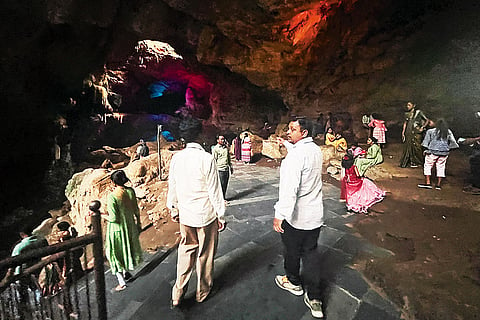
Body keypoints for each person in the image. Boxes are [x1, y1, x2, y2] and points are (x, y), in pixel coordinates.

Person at [167, 117, 226, 307]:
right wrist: (221, 215)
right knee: (205, 254)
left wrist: (173, 207)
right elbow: (214, 191)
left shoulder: (176, 158)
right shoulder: (206, 159)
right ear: (200, 134)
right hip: (205, 215)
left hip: (185, 215)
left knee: (185, 252)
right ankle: (203, 291)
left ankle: (178, 293)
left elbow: (172, 186)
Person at [273, 118, 324, 318]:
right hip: (315, 215)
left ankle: (293, 283)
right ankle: (315, 298)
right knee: (310, 254)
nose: (288, 131)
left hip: (296, 216)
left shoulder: (294, 158)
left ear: (303, 133)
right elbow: (300, 155)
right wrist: (286, 144)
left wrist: (280, 215)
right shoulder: (315, 151)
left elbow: (289, 190)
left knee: (292, 251)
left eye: (292, 129)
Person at [103, 170, 143, 292]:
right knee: (126, 249)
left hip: (117, 229)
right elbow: (136, 210)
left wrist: (101, 214)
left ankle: (121, 282)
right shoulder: (130, 191)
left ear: (113, 182)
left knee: (113, 254)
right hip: (130, 226)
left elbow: (113, 218)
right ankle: (126, 273)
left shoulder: (112, 196)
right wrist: (139, 223)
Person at [418, 119, 459, 190]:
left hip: (432, 152)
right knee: (441, 167)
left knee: (428, 166)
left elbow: (425, 143)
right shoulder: (448, 132)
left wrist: (426, 150)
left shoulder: (431, 131)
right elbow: (454, 143)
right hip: (444, 153)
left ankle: (428, 183)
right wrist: (447, 148)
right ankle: (438, 185)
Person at [400, 102, 429, 168]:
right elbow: (405, 123)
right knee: (409, 146)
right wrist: (403, 132)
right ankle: (411, 161)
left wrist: (422, 127)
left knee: (417, 146)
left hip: (416, 131)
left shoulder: (419, 112)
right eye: (407, 105)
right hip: (408, 131)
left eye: (409, 105)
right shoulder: (406, 114)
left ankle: (419, 162)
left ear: (414, 105)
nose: (407, 106)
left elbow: (427, 120)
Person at [212, 134, 234, 200]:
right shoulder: (215, 149)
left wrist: (231, 166)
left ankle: (223, 198)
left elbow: (228, 158)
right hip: (220, 169)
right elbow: (214, 159)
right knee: (221, 185)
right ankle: (220, 199)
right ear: (217, 140)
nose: (223, 140)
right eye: (221, 139)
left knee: (225, 185)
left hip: (226, 168)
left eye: (223, 139)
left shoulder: (225, 148)